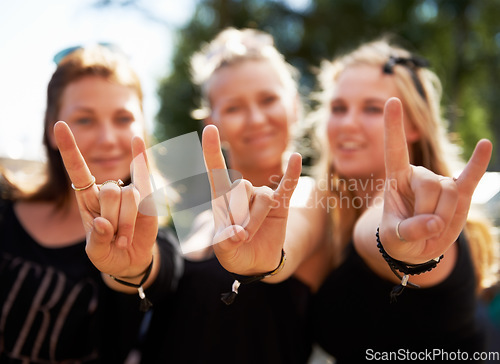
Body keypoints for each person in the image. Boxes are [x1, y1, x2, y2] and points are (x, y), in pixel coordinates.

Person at [204, 38, 496, 363]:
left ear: (414, 124)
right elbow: (292, 234)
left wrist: (401, 248)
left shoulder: (426, 223)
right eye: (339, 108)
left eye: (372, 108)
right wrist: (265, 260)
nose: (347, 123)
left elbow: (376, 233)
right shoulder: (328, 209)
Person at [140, 27, 314, 364]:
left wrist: (267, 261)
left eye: (268, 99)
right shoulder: (201, 219)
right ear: (211, 123)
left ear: (294, 106)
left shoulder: (309, 196)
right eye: (234, 107)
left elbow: (289, 242)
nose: (255, 119)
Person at [0, 44, 181, 363]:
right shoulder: (4, 207)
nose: (108, 138)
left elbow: (151, 271)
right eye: (85, 120)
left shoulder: (157, 234)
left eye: (123, 118)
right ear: (51, 127)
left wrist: (129, 268)